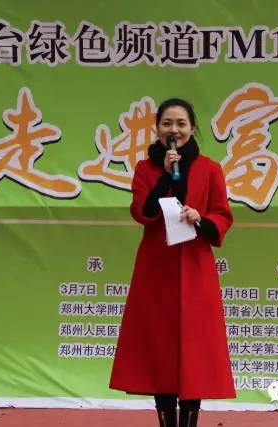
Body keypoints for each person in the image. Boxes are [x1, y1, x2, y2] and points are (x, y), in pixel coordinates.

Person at [109, 98, 236, 427]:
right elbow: (142, 212)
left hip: (195, 269)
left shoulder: (210, 169)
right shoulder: (145, 169)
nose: (174, 130)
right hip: (156, 271)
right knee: (160, 353)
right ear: (157, 129)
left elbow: (222, 215)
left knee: (195, 353)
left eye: (181, 123)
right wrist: (165, 178)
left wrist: (200, 218)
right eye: (167, 123)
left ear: (192, 128)